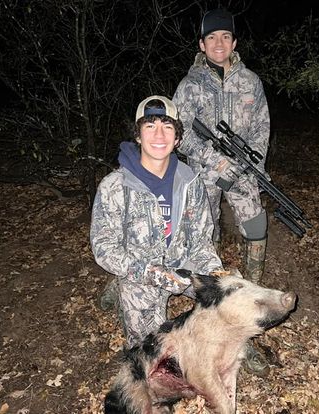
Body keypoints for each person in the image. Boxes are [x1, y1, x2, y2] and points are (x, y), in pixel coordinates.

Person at [90, 96, 223, 348]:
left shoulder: (191, 181)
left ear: (177, 139)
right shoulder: (114, 186)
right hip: (142, 273)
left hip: (184, 264)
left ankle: (242, 346)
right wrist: (153, 274)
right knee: (152, 350)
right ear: (138, 136)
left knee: (226, 297)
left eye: (168, 127)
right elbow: (104, 247)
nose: (159, 134)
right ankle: (122, 297)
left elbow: (201, 239)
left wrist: (213, 274)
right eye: (150, 126)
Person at [173, 8, 270, 285]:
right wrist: (215, 160)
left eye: (226, 36)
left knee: (256, 222)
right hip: (204, 170)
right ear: (202, 45)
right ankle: (213, 288)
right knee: (206, 228)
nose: (219, 44)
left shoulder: (251, 82)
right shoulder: (189, 85)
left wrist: (252, 164)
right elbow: (179, 133)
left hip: (243, 167)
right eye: (212, 38)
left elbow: (262, 128)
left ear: (234, 43)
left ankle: (253, 286)